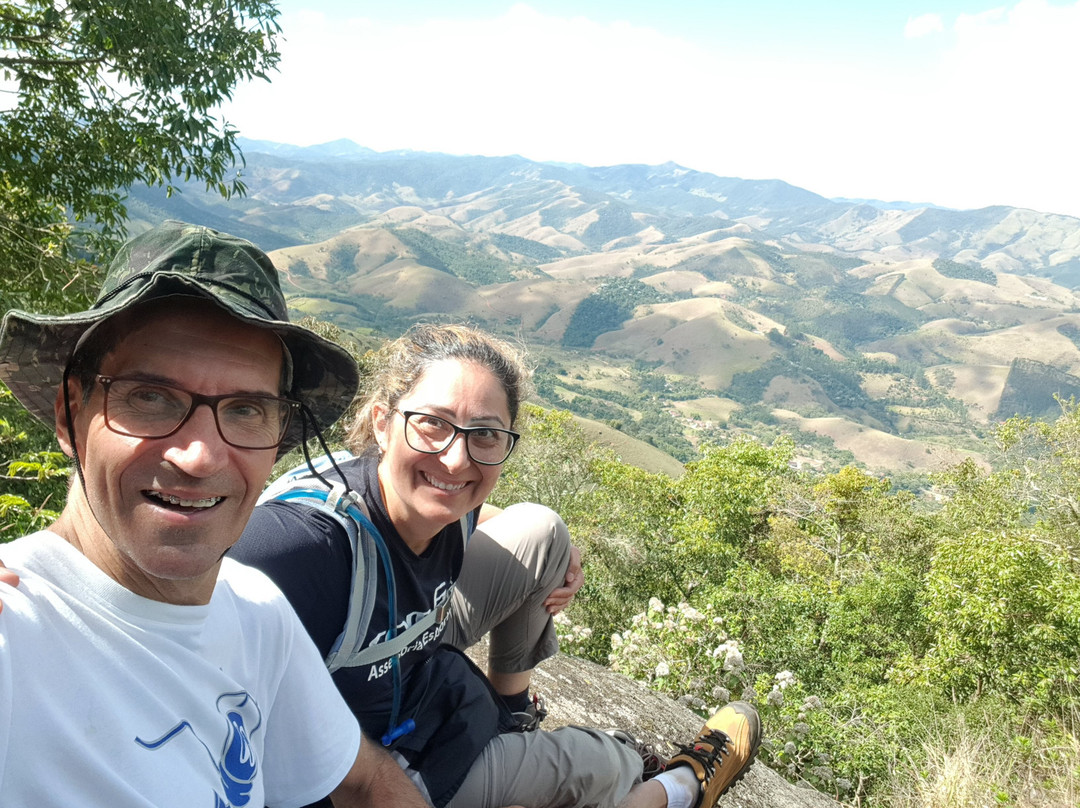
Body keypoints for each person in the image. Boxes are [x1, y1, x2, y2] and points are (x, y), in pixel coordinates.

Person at [229, 322, 763, 808]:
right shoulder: (298, 549)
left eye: (485, 434)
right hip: (370, 761)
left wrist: (561, 554)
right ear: (383, 423)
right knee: (605, 764)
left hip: (403, 656)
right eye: (433, 424)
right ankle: (686, 786)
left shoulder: (440, 490)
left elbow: (476, 499)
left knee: (542, 531)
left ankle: (510, 719)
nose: (457, 460)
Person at [0, 221, 430, 807]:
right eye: (150, 397)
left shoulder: (255, 611)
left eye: (246, 409)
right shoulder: (14, 632)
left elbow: (363, 780)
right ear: (71, 415)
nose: (200, 457)